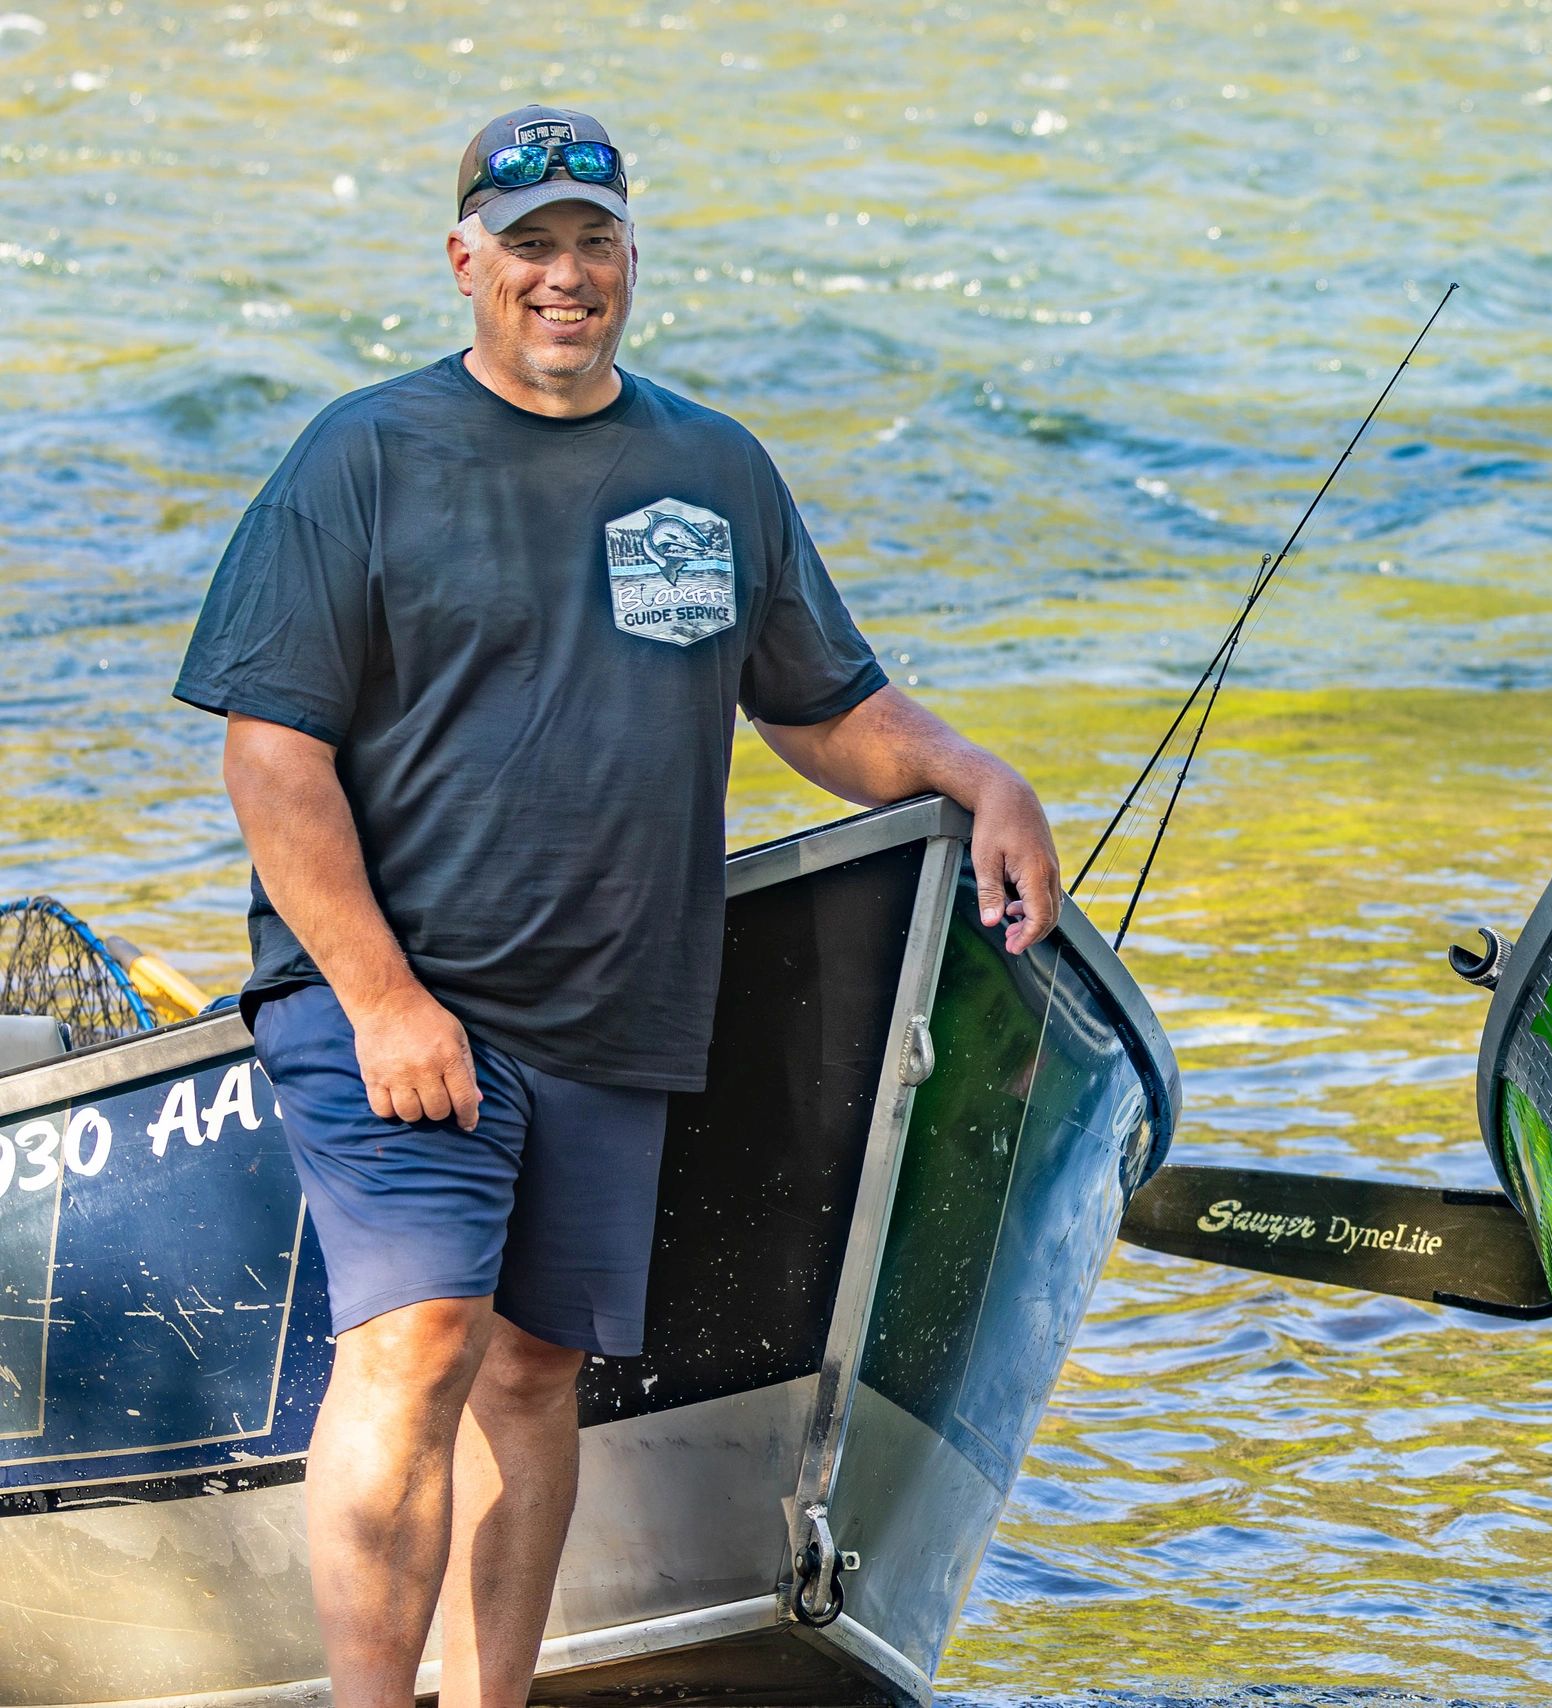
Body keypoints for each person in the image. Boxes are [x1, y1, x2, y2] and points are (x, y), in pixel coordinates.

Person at [172, 106, 1062, 1708]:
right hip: (390, 992)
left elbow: (822, 705)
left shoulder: (709, 468)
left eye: (593, 243)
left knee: (535, 1372)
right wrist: (380, 999)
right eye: (530, 247)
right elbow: (271, 756)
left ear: (632, 259)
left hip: (612, 1006)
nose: (564, 276)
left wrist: (979, 777)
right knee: (421, 1338)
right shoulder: (358, 460)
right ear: (464, 265)